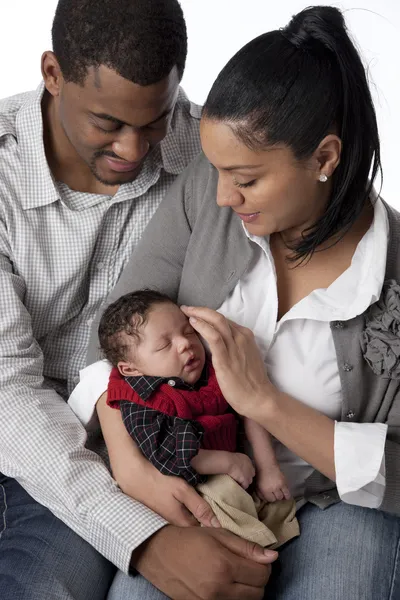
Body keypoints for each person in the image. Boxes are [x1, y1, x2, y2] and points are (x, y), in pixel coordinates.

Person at [80, 4, 400, 599]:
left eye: (246, 179)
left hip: (336, 506)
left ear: (325, 159)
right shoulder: (207, 191)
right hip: (194, 480)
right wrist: (131, 465)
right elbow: (118, 337)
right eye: (216, 170)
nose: (222, 196)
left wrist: (263, 402)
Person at [0, 1, 277, 599]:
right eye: (107, 123)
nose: (134, 148)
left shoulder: (213, 158)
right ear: (52, 73)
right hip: (26, 443)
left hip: (136, 451)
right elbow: (6, 389)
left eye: (155, 120)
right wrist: (140, 534)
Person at [92, 289, 297, 547]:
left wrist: (269, 468)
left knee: (280, 507)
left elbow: (250, 410)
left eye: (188, 331)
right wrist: (228, 462)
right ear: (131, 369)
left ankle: (273, 538)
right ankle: (248, 549)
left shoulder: (213, 371)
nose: (185, 343)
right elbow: (167, 452)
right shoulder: (139, 397)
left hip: (240, 473)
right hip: (187, 485)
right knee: (224, 509)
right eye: (165, 345)